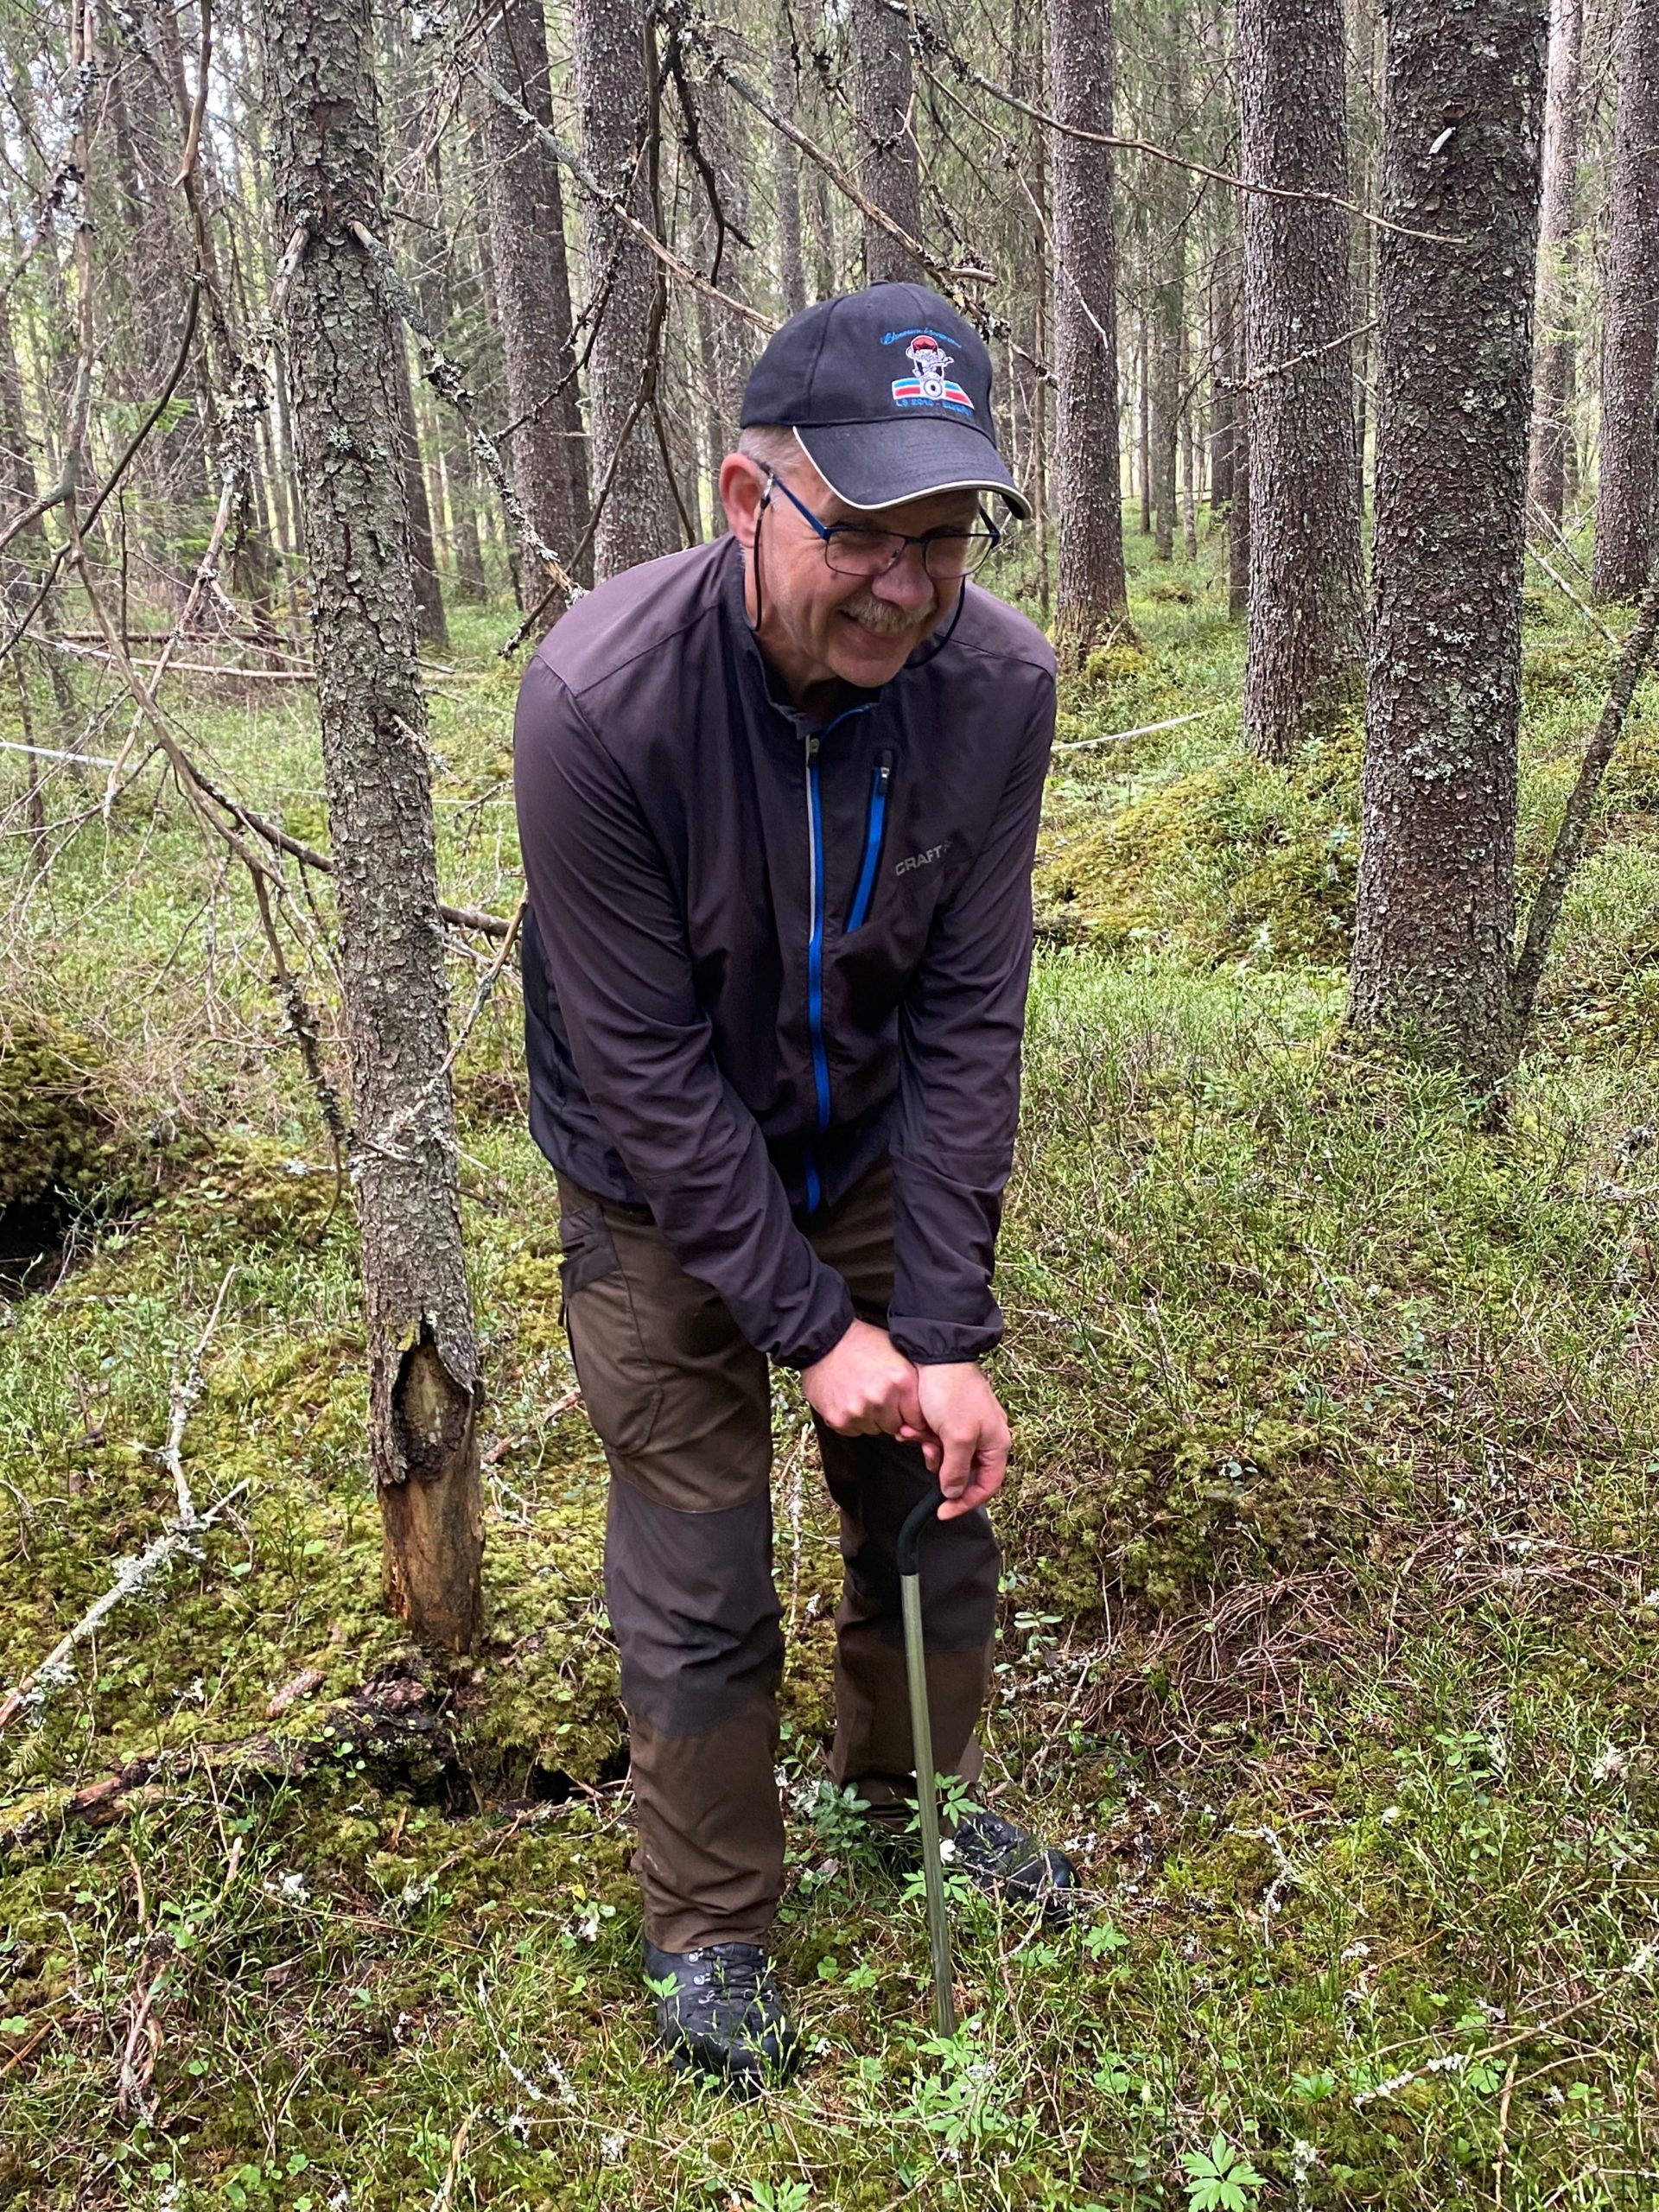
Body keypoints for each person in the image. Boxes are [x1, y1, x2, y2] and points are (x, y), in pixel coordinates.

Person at [512, 282, 1072, 2092]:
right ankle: (713, 1922)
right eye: (869, 536)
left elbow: (976, 1017)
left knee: (936, 1497)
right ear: (749, 502)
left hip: (867, 1139)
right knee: (699, 1566)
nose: (911, 585)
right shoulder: (599, 700)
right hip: (650, 1174)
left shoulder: (995, 688)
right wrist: (817, 1329)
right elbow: (647, 1075)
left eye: (948, 539)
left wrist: (944, 1331)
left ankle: (908, 1797)